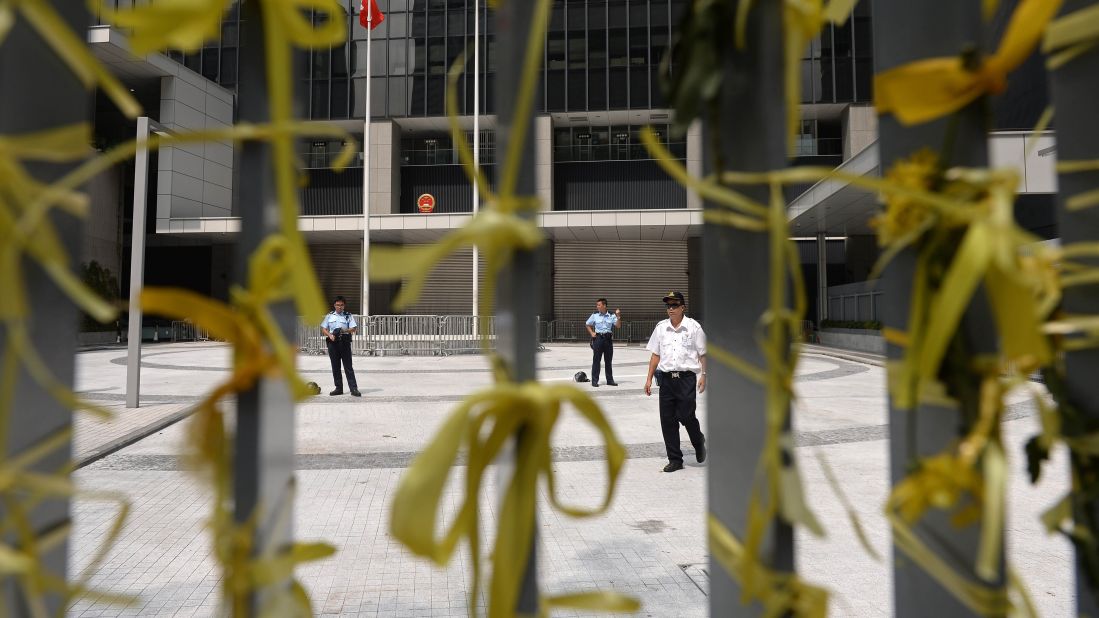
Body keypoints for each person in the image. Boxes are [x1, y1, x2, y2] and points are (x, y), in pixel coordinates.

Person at [644, 291, 706, 472]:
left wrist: (704, 375)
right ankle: (675, 459)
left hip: (686, 379)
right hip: (666, 380)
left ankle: (698, 440)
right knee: (667, 420)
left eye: (674, 305)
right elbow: (655, 355)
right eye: (668, 306)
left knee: (686, 415)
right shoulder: (661, 328)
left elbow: (703, 354)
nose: (670, 309)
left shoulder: (694, 327)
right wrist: (648, 379)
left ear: (682, 308)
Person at [320, 296, 360, 397]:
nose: (339, 307)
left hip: (344, 342)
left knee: (348, 366)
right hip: (333, 343)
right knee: (335, 366)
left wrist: (343, 330)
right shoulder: (329, 316)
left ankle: (354, 388)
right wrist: (330, 335)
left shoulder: (348, 315)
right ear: (334, 305)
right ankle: (338, 388)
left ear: (344, 305)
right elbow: (324, 328)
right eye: (337, 305)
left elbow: (353, 328)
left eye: (341, 305)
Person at [585, 298, 621, 387]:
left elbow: (618, 326)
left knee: (608, 361)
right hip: (598, 339)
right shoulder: (595, 314)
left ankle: (610, 380)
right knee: (596, 360)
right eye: (597, 305)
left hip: (608, 339)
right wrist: (591, 333)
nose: (597, 307)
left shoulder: (612, 315)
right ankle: (594, 381)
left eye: (599, 305)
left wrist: (618, 316)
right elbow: (587, 324)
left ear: (604, 306)